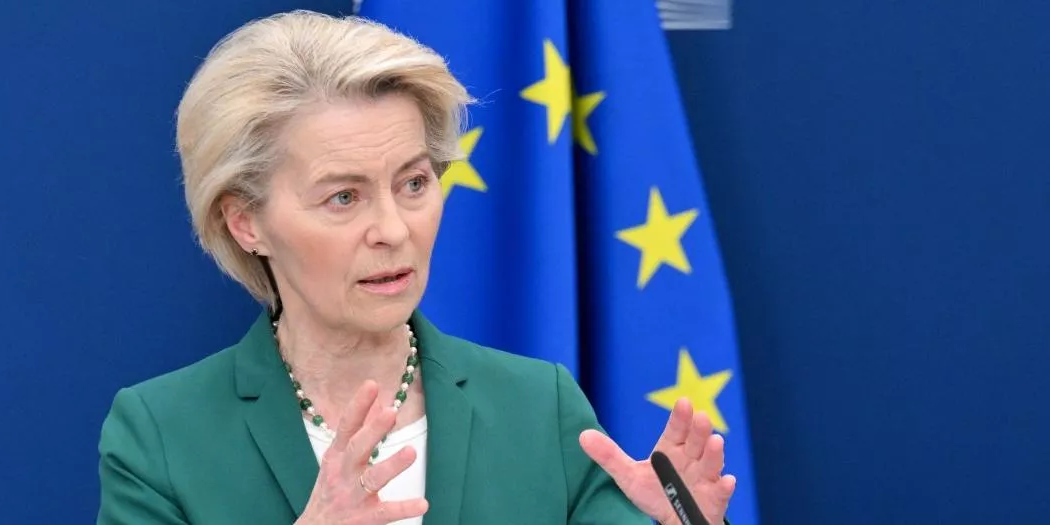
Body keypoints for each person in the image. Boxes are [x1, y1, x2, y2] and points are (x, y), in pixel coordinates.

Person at [96, 10, 736, 525]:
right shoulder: (161, 433)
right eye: (343, 197)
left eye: (413, 183)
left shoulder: (538, 406)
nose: (394, 230)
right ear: (246, 222)